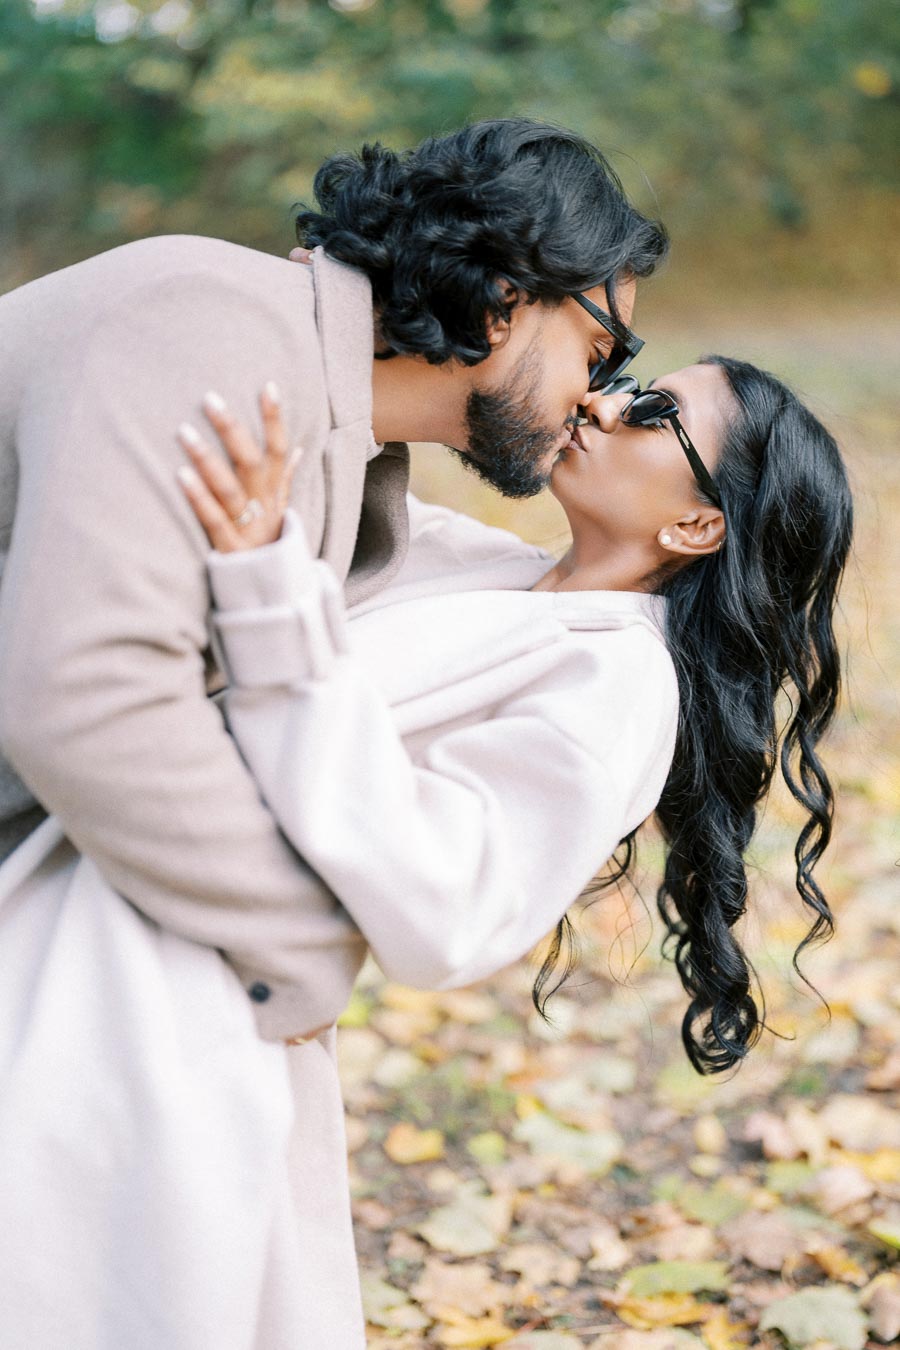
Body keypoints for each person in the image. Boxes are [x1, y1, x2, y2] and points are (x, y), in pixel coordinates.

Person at [0, 353, 851, 1346]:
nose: (603, 402)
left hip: (182, 1004)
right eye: (625, 379)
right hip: (96, 906)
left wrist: (269, 598)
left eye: (655, 413)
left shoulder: (619, 688)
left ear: (696, 525)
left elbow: (449, 908)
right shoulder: (487, 568)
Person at [0, 118, 667, 1047]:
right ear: (505, 300)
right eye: (600, 351)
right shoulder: (206, 325)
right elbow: (85, 696)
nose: (597, 396)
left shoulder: (323, 425)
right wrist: (302, 950)